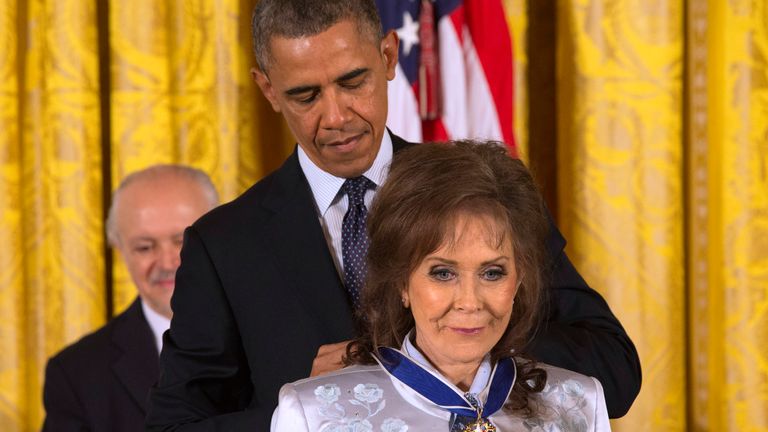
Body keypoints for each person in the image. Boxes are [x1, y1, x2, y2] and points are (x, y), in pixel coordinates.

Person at [146, 1, 640, 429]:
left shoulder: (486, 197)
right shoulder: (226, 243)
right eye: (306, 95)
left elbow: (614, 374)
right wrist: (303, 413)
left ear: (387, 56)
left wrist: (467, 334)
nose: (336, 115)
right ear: (269, 90)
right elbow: (175, 425)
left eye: (352, 81)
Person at [271, 140, 611, 431]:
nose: (469, 302)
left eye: (492, 273)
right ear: (402, 282)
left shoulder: (580, 404)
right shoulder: (313, 415)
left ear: (519, 279)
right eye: (443, 273)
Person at [42, 165, 218, 432]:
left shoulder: (281, 331)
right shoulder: (75, 374)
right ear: (120, 249)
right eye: (145, 247)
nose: (169, 262)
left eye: (184, 241)